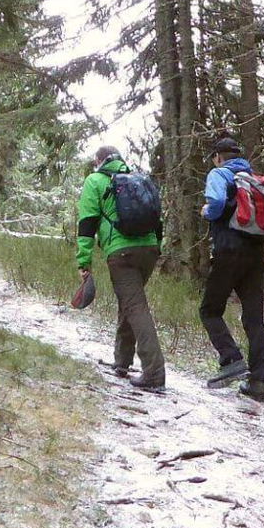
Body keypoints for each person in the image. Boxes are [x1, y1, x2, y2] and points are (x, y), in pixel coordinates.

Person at [75, 145, 165, 391]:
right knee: (130, 302)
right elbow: (157, 217)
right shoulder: (139, 179)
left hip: (121, 252)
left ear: (99, 160)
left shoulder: (95, 181)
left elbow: (87, 224)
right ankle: (122, 362)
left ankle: (154, 373)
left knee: (135, 306)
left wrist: (84, 261)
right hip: (149, 250)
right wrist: (157, 246)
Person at [199, 136, 264, 400]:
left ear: (218, 156)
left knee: (209, 309)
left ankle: (231, 360)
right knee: (254, 318)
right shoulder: (256, 180)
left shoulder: (220, 174)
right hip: (256, 255)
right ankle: (259, 381)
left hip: (229, 250)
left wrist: (207, 211)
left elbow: (216, 204)